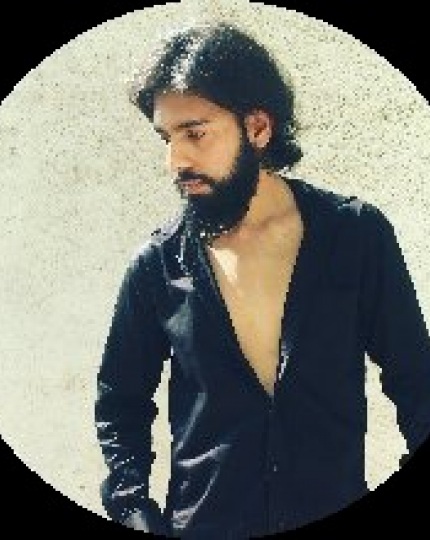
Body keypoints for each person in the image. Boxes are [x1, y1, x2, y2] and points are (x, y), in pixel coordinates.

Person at [94, 20, 430, 538]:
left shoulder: (355, 236)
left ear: (257, 128)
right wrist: (135, 512)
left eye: (195, 133)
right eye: (166, 137)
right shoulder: (157, 264)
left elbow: (415, 379)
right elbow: (120, 404)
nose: (175, 161)